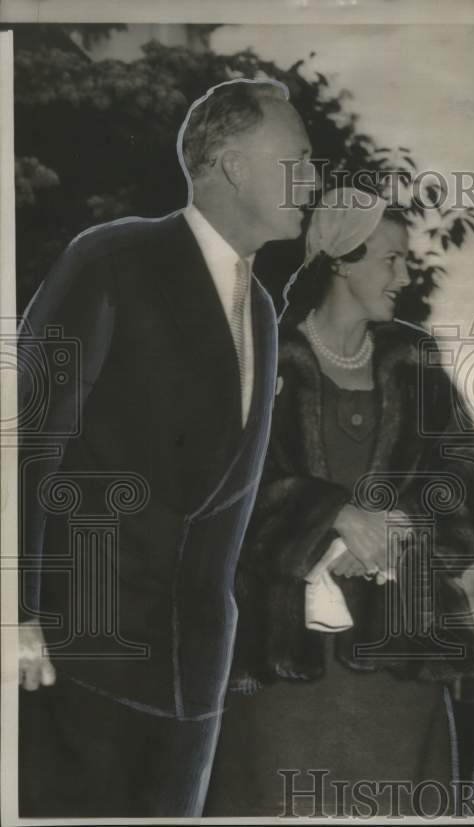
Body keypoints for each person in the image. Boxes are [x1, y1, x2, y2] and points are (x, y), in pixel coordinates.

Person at [17, 78, 316, 817]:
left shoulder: (265, 316)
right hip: (75, 655)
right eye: (298, 159)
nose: (314, 180)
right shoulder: (112, 258)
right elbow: (23, 443)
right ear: (235, 167)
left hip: (192, 675)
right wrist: (11, 614)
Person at [203, 188, 474, 818]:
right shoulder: (259, 357)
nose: (403, 275)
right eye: (389, 259)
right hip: (284, 663)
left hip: (401, 663)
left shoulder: (417, 363)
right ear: (340, 260)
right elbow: (219, 490)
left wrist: (402, 527)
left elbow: (468, 475)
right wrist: (330, 517)